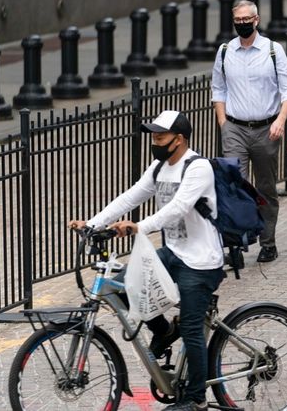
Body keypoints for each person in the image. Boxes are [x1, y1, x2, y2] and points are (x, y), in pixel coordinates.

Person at [69, 110, 223, 411]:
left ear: (179, 140)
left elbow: (178, 208)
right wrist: (93, 224)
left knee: (192, 329)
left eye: (160, 136)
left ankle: (196, 399)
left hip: (201, 260)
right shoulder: (159, 167)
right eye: (153, 135)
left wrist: (140, 227)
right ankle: (163, 330)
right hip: (174, 252)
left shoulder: (198, 167)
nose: (154, 141)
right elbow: (130, 197)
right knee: (125, 285)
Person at [211, 0, 287, 263]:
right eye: (238, 21)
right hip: (235, 127)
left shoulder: (272, 50)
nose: (243, 25)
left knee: (266, 188)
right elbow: (218, 89)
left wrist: (281, 120)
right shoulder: (225, 51)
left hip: (266, 129)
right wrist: (224, 123)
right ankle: (235, 247)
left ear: (257, 20)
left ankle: (268, 242)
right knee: (234, 187)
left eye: (247, 20)